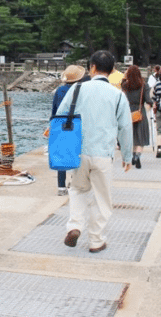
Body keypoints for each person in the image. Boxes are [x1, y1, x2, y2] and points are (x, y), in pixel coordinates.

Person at [57, 50, 132, 254]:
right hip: (103, 153)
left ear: (92, 67)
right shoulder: (118, 95)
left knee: (78, 190)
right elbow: (125, 127)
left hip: (79, 151)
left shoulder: (77, 89)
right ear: (112, 70)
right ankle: (96, 241)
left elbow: (61, 114)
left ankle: (74, 227)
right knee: (101, 197)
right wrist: (127, 155)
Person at [50, 65, 89, 195]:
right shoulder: (81, 90)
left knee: (61, 153)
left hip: (60, 123)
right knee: (77, 152)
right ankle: (75, 182)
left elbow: (54, 110)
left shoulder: (59, 90)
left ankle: (61, 187)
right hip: (77, 123)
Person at [121, 65, 152, 169]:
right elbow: (148, 100)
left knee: (133, 136)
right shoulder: (144, 85)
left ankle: (133, 155)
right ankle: (137, 156)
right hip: (140, 112)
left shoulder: (125, 85)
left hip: (128, 112)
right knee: (141, 137)